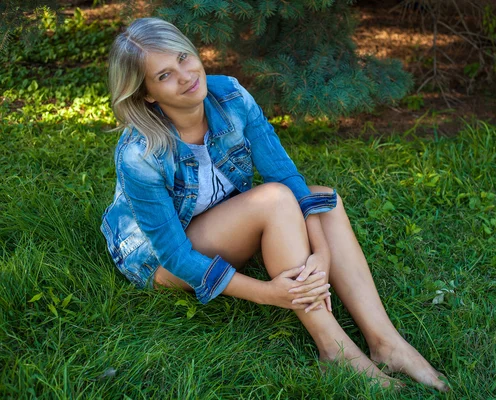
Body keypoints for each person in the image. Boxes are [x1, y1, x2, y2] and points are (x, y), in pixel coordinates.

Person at [101, 17, 448, 391]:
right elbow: (175, 256)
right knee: (276, 202)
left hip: (218, 225)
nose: (186, 76)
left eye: (184, 57)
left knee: (324, 202)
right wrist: (268, 294)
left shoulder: (230, 96)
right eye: (165, 75)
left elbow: (285, 175)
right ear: (147, 93)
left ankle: (386, 343)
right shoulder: (140, 153)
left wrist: (323, 253)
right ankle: (337, 353)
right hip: (158, 260)